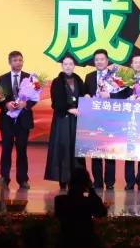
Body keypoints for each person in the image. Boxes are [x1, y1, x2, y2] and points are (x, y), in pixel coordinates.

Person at [83, 49, 131, 190]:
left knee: (110, 151)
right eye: (97, 59)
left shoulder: (115, 76)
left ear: (107, 60)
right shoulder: (89, 76)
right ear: (94, 61)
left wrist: (110, 96)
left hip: (111, 118)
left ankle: (109, 182)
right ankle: (97, 181)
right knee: (95, 151)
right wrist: (86, 95)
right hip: (94, 118)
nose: (99, 62)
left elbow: (125, 95)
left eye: (102, 59)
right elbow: (85, 92)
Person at [0, 51, 38, 189]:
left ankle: (22, 179)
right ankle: (4, 179)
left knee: (22, 150)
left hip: (23, 120)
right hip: (7, 120)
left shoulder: (30, 78)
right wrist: (6, 105)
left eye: (20, 60)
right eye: (15, 60)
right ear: (10, 62)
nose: (18, 63)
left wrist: (26, 104)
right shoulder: (2, 78)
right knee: (6, 150)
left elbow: (35, 97)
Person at [44, 55, 87, 189]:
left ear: (74, 66)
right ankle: (63, 179)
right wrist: (69, 109)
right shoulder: (57, 82)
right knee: (63, 148)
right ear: (62, 66)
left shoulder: (79, 80)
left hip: (77, 120)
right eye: (65, 64)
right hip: (62, 119)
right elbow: (56, 102)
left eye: (70, 64)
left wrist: (85, 100)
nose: (68, 66)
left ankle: (78, 180)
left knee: (77, 149)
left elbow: (84, 96)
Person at [54, 167, 107, 248]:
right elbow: (101, 212)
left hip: (66, 242)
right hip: (87, 242)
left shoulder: (59, 200)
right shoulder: (88, 201)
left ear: (70, 183)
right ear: (87, 183)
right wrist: (90, 189)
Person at [124, 53, 140, 191]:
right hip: (127, 120)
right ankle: (129, 181)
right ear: (131, 65)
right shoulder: (123, 81)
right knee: (129, 150)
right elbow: (118, 97)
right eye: (136, 62)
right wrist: (129, 99)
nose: (138, 65)